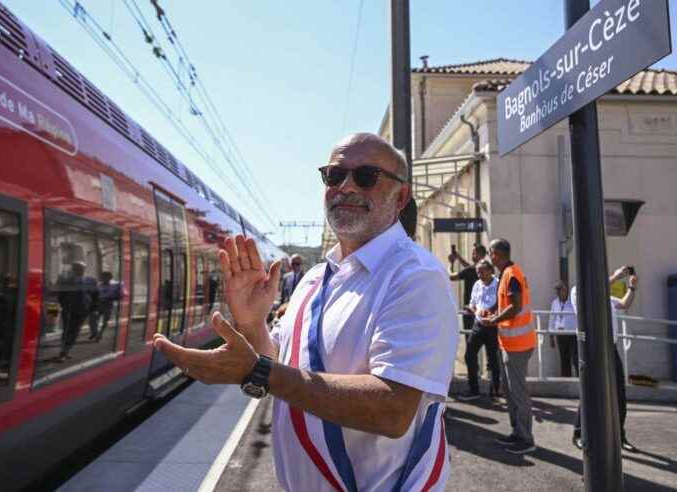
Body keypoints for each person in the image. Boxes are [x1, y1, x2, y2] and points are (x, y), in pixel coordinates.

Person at [154, 133, 459, 491]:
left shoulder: (415, 276)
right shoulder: (316, 279)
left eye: (365, 176)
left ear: (400, 196)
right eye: (334, 175)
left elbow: (393, 410)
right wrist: (252, 323)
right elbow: (276, 359)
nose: (345, 186)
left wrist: (259, 372)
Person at [571, 266, 638, 452]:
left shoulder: (607, 298)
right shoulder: (579, 292)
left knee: (619, 394)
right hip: (592, 349)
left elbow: (624, 305)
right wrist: (616, 276)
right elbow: (594, 290)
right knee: (589, 391)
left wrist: (632, 287)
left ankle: (619, 435)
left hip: (611, 347)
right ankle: (578, 433)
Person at [486, 238, 536, 454]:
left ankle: (526, 439)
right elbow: (506, 303)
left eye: (491, 253)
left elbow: (514, 307)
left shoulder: (512, 274)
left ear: (497, 254)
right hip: (509, 343)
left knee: (518, 393)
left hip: (518, 345)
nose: (490, 257)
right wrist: (489, 312)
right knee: (510, 392)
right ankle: (517, 433)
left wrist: (494, 320)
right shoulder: (507, 274)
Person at [461, 259, 501, 401]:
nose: (480, 274)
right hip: (478, 325)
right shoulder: (477, 284)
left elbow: (500, 303)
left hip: (492, 326)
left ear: (490, 270)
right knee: (469, 355)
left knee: (493, 360)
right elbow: (472, 304)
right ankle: (474, 389)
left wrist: (490, 314)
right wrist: (474, 310)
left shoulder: (498, 284)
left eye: (482, 271)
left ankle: (495, 392)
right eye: (478, 272)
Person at [56, 261, 98, 361]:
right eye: (76, 268)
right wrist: (59, 308)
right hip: (68, 309)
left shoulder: (91, 280)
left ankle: (66, 350)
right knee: (67, 330)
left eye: (81, 268)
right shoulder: (64, 280)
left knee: (75, 331)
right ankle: (63, 351)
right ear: (73, 269)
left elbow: (95, 295)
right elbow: (59, 295)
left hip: (83, 310)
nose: (79, 270)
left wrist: (93, 309)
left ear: (84, 269)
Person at [448, 244, 488, 341]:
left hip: (470, 311)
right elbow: (469, 268)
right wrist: (459, 257)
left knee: (470, 341)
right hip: (484, 310)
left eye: (474, 253)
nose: (472, 255)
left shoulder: (470, 271)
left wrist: (450, 264)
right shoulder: (487, 269)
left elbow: (451, 276)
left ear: (479, 255)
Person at [549, 282, 578, 377]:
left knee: (575, 358)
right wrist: (551, 336)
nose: (557, 292)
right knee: (564, 358)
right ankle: (566, 379)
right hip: (560, 334)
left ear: (565, 290)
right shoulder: (555, 302)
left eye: (559, 290)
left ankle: (580, 379)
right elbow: (552, 319)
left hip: (572, 334)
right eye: (556, 290)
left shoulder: (573, 301)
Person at [89, 271, 120, 342]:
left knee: (105, 321)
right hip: (98, 305)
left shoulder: (115, 285)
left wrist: (114, 296)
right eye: (103, 277)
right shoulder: (98, 285)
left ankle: (99, 334)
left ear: (110, 278)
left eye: (106, 277)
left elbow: (120, 294)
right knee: (92, 319)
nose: (104, 278)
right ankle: (95, 333)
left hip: (108, 305)